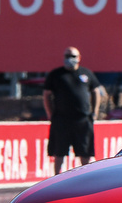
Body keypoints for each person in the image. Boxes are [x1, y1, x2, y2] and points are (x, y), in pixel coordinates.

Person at [43, 46, 101, 175]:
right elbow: (47, 94)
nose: (70, 59)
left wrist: (95, 112)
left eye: (73, 56)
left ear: (79, 58)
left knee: (85, 152)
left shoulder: (86, 73)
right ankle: (56, 178)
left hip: (82, 119)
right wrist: (50, 113)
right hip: (61, 119)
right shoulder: (56, 75)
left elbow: (96, 91)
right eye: (67, 56)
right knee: (59, 151)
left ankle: (87, 177)